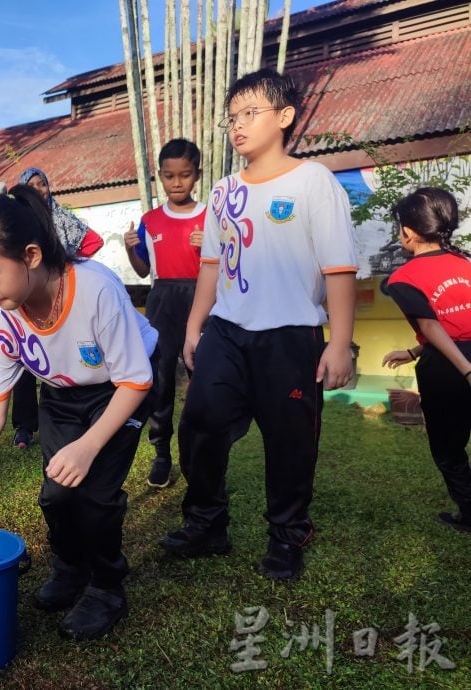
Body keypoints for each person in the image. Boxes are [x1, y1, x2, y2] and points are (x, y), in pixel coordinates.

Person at [0, 185, 158, 641]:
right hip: (65, 394)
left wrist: (89, 446)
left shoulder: (95, 289)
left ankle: (107, 588)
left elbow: (137, 381)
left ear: (29, 255)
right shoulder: (4, 318)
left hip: (124, 387)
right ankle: (69, 570)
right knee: (56, 494)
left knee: (95, 495)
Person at [160, 68, 357, 581]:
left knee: (289, 441)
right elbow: (212, 265)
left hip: (291, 334)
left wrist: (339, 343)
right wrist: (194, 327)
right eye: (232, 118)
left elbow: (339, 268)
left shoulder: (314, 180)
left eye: (251, 113)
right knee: (200, 422)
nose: (238, 126)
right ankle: (207, 522)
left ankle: (287, 534)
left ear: (285, 116)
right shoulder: (224, 191)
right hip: (226, 328)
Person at [381, 188, 471, 534]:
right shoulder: (465, 263)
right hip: (451, 357)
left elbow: (432, 325)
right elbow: (452, 327)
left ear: (408, 231)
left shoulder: (401, 279)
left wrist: (466, 369)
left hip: (448, 370)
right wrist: (415, 350)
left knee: (449, 448)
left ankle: (469, 513)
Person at [124, 138, 206, 488]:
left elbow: (228, 265)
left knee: (203, 376)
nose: (177, 182)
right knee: (161, 379)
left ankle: (201, 452)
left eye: (185, 175)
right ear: (160, 176)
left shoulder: (210, 217)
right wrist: (130, 251)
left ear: (196, 175)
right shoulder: (150, 220)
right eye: (170, 175)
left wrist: (213, 245)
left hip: (202, 297)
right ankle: (161, 453)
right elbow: (143, 271)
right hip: (162, 299)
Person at [10, 167, 106, 450]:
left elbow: (94, 241)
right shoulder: (16, 221)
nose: (39, 189)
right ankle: (24, 427)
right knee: (26, 359)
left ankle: (65, 420)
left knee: (61, 357)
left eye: (43, 183)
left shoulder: (61, 217)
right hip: (27, 297)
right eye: (33, 184)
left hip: (62, 296)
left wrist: (68, 265)